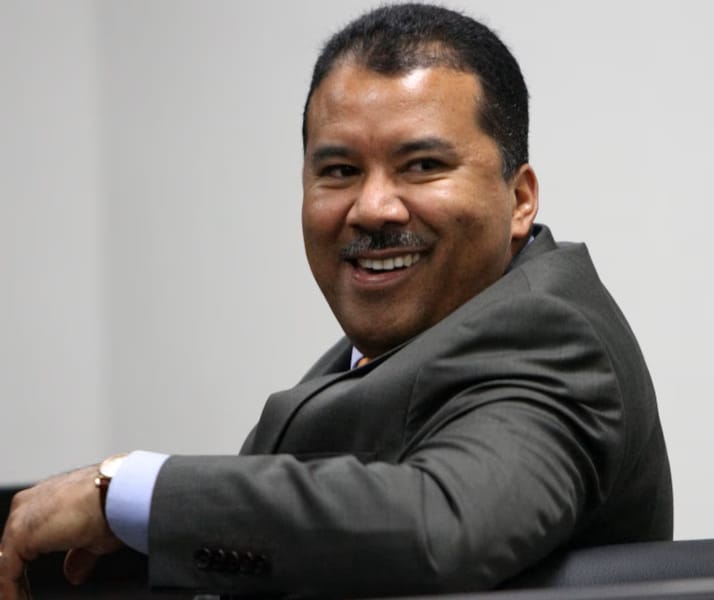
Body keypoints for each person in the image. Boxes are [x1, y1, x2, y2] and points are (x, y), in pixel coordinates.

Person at [0, 4, 672, 599]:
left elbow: (440, 526)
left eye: (422, 166)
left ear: (520, 198)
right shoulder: (407, 343)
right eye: (341, 171)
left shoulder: (549, 332)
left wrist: (130, 492)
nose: (373, 208)